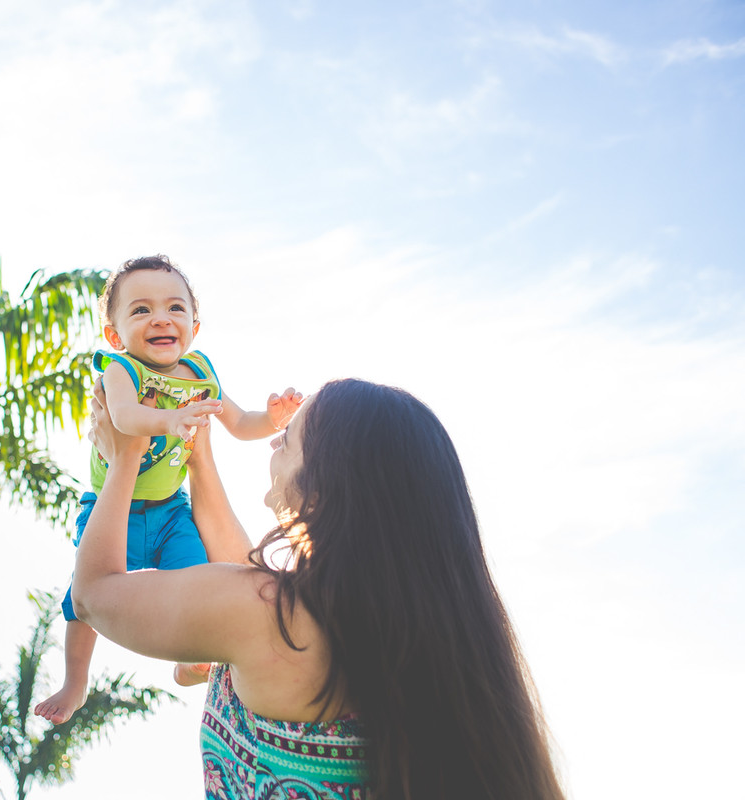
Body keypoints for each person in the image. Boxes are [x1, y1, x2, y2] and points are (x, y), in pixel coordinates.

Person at [71, 378, 567, 800]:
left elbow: (92, 596)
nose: (270, 445)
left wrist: (125, 457)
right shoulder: (415, 639)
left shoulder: (268, 615)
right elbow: (239, 572)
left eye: (286, 441)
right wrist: (200, 462)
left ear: (324, 485)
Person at [34, 255, 302, 725]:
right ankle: (75, 683)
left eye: (174, 308)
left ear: (193, 327)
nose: (160, 317)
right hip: (109, 509)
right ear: (115, 335)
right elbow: (123, 418)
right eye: (140, 310)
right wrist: (168, 420)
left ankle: (189, 657)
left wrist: (274, 420)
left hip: (170, 510)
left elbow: (237, 423)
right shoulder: (121, 370)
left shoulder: (199, 372)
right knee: (81, 601)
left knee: (198, 575)